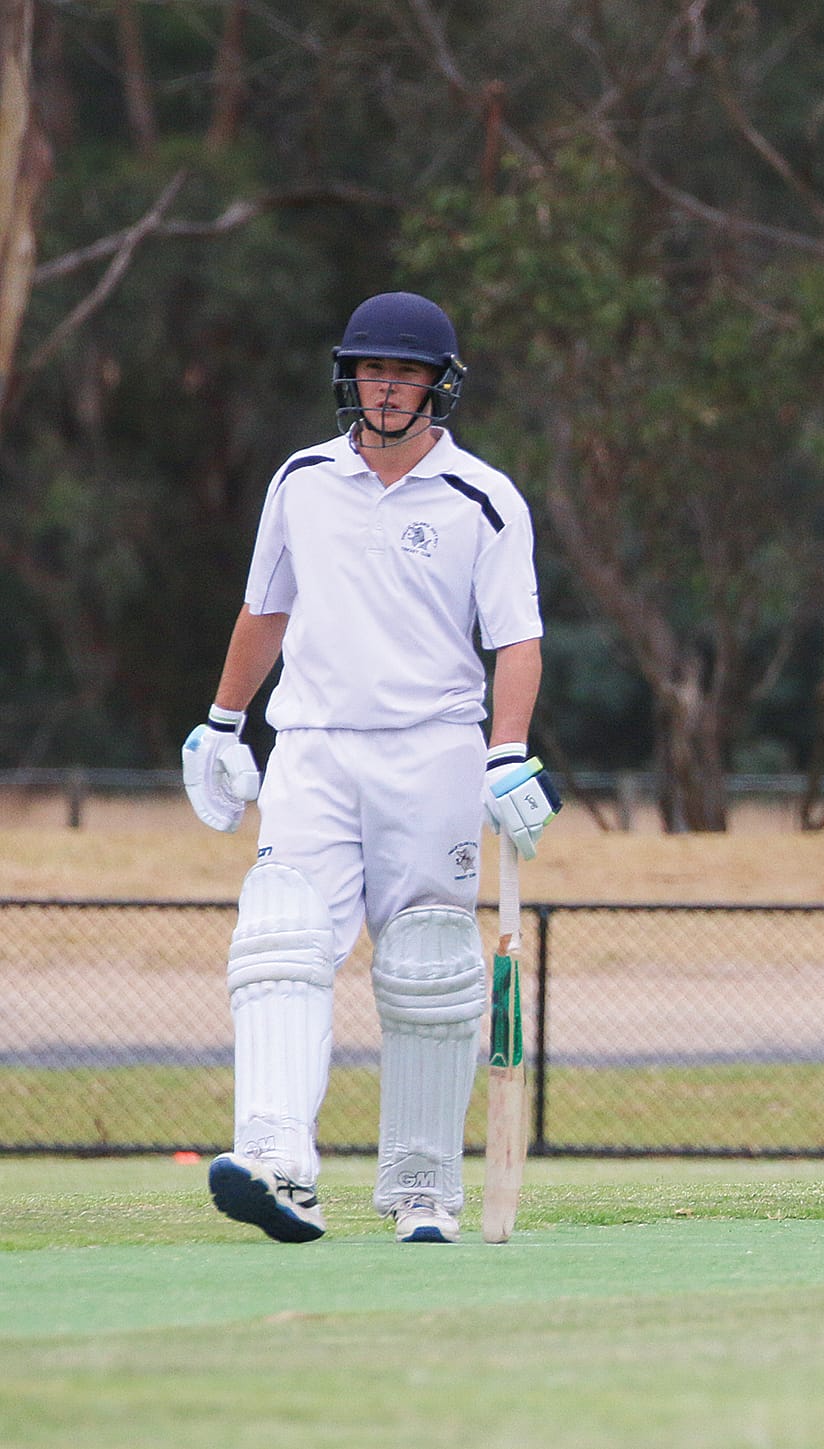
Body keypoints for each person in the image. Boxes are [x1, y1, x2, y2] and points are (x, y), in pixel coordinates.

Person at [181, 291, 560, 1243]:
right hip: (311, 743)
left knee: (430, 963)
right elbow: (265, 611)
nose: (385, 388)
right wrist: (225, 724)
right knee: (278, 939)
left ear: (439, 385)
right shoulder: (300, 481)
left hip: (432, 750)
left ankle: (422, 1187)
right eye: (371, 371)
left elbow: (517, 640)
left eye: (404, 372)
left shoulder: (485, 498)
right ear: (349, 378)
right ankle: (276, 1162)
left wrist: (506, 754)